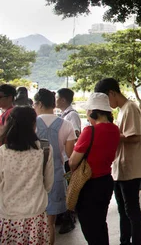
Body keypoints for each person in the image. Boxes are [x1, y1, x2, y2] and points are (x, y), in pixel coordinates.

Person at [95, 78, 141, 245]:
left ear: (112, 93)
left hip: (131, 168)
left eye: (106, 99)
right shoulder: (121, 110)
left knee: (132, 210)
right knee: (123, 210)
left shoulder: (130, 108)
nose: (106, 104)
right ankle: (124, 240)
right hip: (121, 167)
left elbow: (135, 137)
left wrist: (111, 135)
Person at [70, 92, 120, 245]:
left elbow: (73, 161)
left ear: (93, 112)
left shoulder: (89, 131)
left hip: (89, 183)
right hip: (106, 181)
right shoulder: (115, 129)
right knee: (100, 222)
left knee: (89, 226)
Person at [0, 106, 54, 244]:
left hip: (8, 216)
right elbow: (48, 184)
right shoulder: (45, 149)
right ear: (33, 124)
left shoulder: (2, 152)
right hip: (35, 215)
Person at [34, 88, 76, 245]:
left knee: (34, 222)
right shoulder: (66, 125)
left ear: (39, 104)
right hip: (56, 176)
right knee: (50, 224)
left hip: (33, 177)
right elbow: (70, 156)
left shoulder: (32, 123)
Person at [55, 87, 81, 234]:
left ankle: (69, 218)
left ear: (63, 99)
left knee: (70, 189)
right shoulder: (65, 114)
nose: (55, 100)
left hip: (69, 157)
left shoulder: (72, 115)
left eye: (57, 97)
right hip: (64, 156)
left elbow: (76, 134)